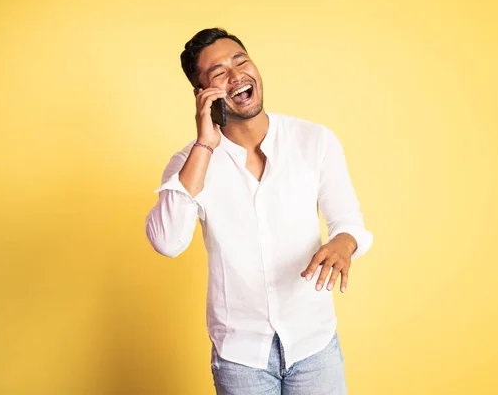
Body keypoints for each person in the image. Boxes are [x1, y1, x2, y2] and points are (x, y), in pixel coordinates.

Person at [145, 27, 373, 395]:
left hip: (315, 346)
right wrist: (205, 144)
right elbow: (168, 241)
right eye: (218, 73)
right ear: (201, 94)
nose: (236, 75)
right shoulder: (190, 163)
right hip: (240, 357)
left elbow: (348, 222)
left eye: (241, 61)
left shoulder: (314, 140)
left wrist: (344, 244)